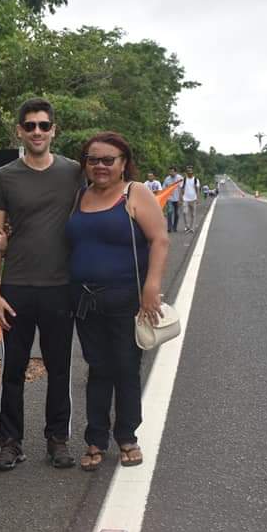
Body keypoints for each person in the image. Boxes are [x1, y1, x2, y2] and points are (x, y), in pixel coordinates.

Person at [0, 97, 84, 471]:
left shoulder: (74, 172)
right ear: (20, 131)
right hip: (17, 288)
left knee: (60, 367)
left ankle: (57, 439)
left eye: (44, 125)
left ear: (54, 130)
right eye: (30, 126)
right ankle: (10, 443)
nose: (38, 132)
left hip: (61, 286)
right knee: (13, 368)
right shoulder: (4, 177)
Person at [66, 132, 169, 471]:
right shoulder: (79, 195)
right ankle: (95, 438)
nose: (100, 166)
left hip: (128, 299)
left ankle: (126, 436)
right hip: (85, 300)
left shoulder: (135, 193)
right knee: (97, 369)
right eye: (93, 160)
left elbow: (159, 240)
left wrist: (151, 286)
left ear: (124, 163)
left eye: (108, 160)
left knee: (125, 368)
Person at [162, 166, 182, 232]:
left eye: (172, 171)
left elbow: (181, 189)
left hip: (177, 198)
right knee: (169, 212)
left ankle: (175, 227)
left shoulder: (179, 178)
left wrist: (180, 199)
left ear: (176, 172)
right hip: (169, 198)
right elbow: (164, 189)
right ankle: (169, 228)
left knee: (177, 214)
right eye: (170, 171)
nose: (171, 173)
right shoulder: (167, 179)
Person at [181, 165, 201, 233]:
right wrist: (181, 198)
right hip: (185, 199)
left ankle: (192, 228)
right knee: (184, 212)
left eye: (190, 171)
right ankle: (187, 226)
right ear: (186, 172)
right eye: (188, 171)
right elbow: (181, 188)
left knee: (193, 214)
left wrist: (198, 198)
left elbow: (198, 189)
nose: (189, 172)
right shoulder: (184, 179)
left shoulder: (196, 179)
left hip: (193, 199)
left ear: (192, 171)